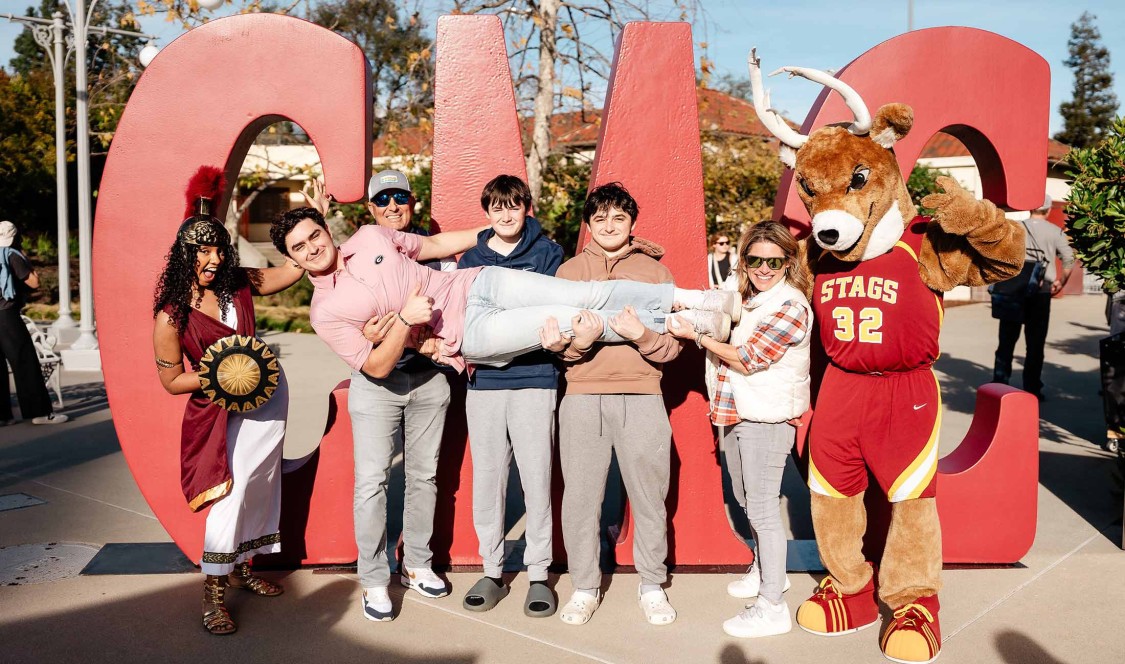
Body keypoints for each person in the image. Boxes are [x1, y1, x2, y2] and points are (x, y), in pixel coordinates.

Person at [152, 176, 305, 635]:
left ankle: (242, 567)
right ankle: (213, 594)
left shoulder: (237, 283)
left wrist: (312, 224)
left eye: (220, 250)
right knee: (229, 491)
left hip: (268, 398)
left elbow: (292, 270)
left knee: (259, 482)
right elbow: (172, 381)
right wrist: (225, 371)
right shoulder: (170, 315)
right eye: (204, 251)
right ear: (184, 255)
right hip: (218, 410)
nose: (214, 259)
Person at [303, 170, 459, 621]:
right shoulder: (362, 247)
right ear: (370, 210)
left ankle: (417, 564)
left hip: (430, 380)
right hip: (376, 387)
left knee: (424, 477)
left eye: (400, 197)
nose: (393, 205)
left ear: (413, 201)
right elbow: (320, 262)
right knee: (372, 483)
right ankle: (374, 579)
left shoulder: (434, 252)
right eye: (382, 199)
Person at [538, 182, 684, 627]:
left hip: (643, 396)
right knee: (581, 498)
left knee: (649, 495)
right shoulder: (568, 273)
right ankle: (585, 586)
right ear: (588, 224)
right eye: (599, 218)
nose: (609, 225)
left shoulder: (656, 273)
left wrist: (642, 336)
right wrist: (573, 347)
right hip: (583, 398)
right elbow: (558, 349)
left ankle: (652, 584)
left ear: (632, 223)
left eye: (618, 217)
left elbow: (672, 349)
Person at [670, 221, 812, 638]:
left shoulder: (791, 306)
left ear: (788, 262)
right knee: (745, 497)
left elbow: (749, 358)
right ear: (744, 260)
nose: (763, 268)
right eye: (755, 259)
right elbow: (717, 299)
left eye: (773, 261)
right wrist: (676, 299)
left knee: (764, 509)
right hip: (738, 413)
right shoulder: (755, 299)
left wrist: (698, 335)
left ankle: (772, 605)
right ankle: (766, 571)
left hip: (766, 419)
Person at [456, 175, 564, 617]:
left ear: (527, 208)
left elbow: (553, 311)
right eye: (497, 207)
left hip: (536, 379)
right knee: (489, 481)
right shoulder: (470, 259)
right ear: (487, 212)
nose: (505, 214)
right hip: (483, 387)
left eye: (514, 205)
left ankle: (539, 574)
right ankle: (492, 569)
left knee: (537, 480)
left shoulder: (548, 253)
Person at [992, 195, 1076, 400]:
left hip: (1012, 291)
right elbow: (1069, 259)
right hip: (1040, 292)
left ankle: (999, 385)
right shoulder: (1055, 232)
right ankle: (1032, 389)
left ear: (1030, 209)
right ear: (1047, 210)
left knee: (1006, 342)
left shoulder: (1015, 228)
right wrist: (1060, 283)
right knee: (1035, 344)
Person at [0, 220, 67, 426]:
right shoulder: (11, 254)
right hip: (6, 314)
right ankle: (38, 412)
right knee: (25, 362)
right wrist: (25, 257)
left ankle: (3, 416)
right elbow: (34, 281)